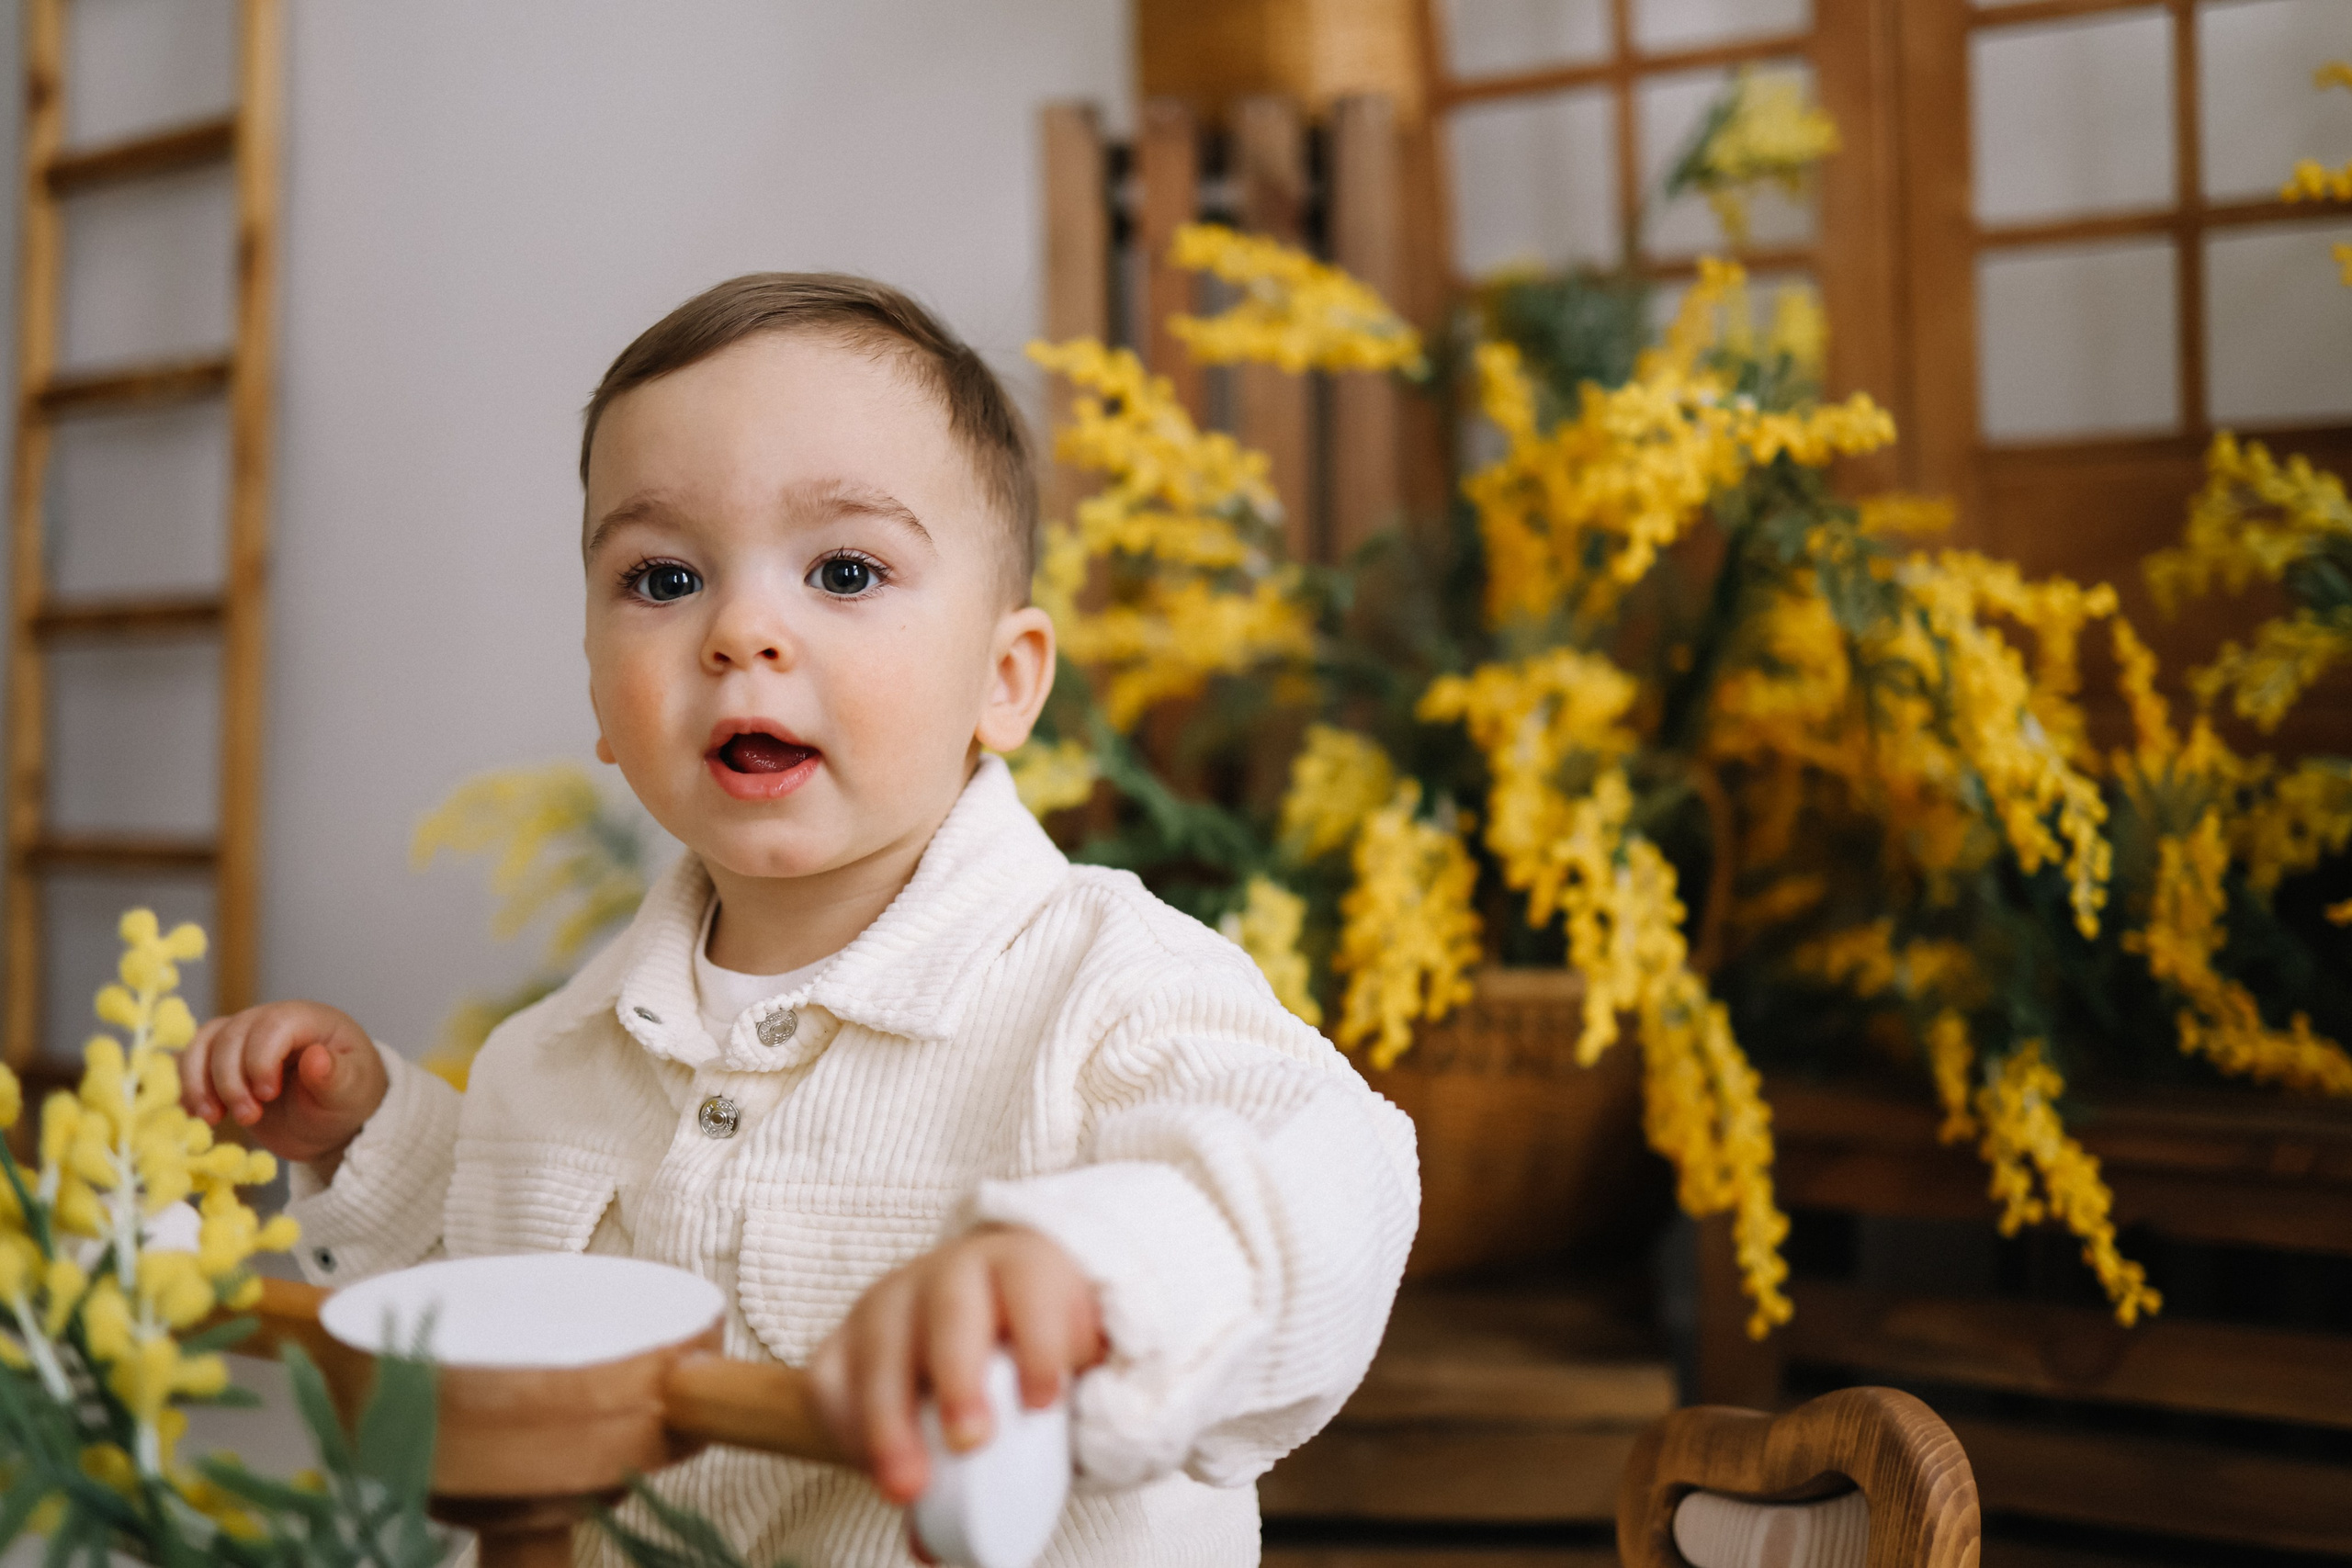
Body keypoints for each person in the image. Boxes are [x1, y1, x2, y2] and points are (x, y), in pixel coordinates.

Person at [181, 274, 1419, 1567]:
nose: (741, 631)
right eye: (663, 578)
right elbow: (496, 1309)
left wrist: (1092, 1274)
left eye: (843, 570)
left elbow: (1335, 1177)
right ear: (602, 702)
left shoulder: (1106, 985)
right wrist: (374, 1144)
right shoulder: (550, 1059)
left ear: (1005, 680)